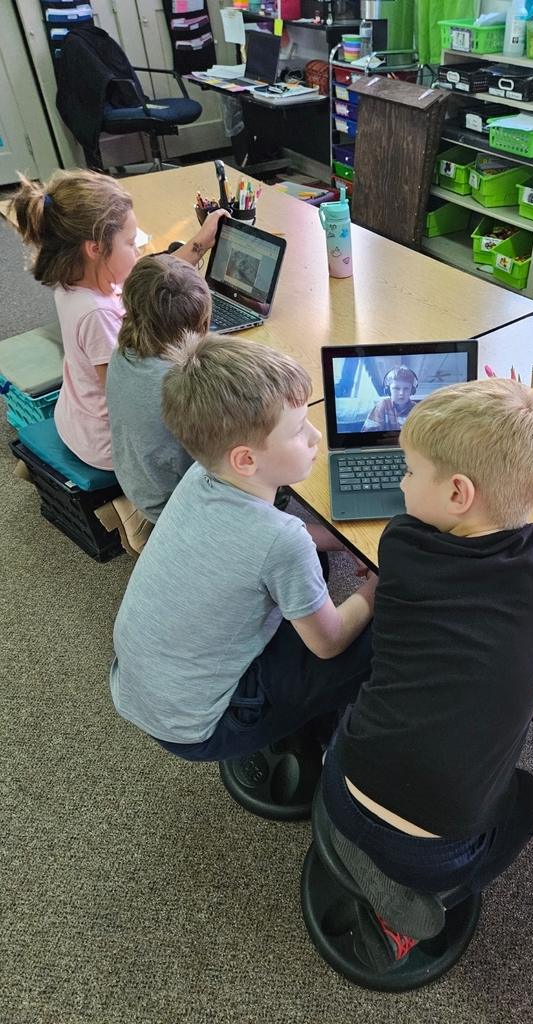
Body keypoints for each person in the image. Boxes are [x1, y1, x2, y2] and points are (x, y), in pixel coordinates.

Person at [321, 378, 533, 971]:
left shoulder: (402, 543)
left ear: (457, 493)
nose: (399, 483)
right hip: (437, 856)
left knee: (371, 716)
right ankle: (403, 908)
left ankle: (365, 860)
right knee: (528, 799)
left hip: (342, 781)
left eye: (408, 471)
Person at [110, 334, 377, 763]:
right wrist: (379, 584)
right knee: (384, 634)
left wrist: (346, 545)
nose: (314, 436)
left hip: (147, 691)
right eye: (297, 430)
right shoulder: (280, 539)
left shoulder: (201, 475)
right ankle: (332, 746)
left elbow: (269, 546)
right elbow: (330, 644)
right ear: (245, 460)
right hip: (203, 727)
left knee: (314, 566)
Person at [12, 169, 226, 470]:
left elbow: (155, 278)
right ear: (96, 248)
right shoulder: (97, 314)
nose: (138, 252)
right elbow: (128, 396)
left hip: (77, 415)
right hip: (108, 444)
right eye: (130, 243)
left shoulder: (79, 276)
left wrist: (200, 242)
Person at [105, 254, 210, 524]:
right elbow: (211, 472)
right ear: (200, 326)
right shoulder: (183, 390)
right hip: (175, 510)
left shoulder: (123, 352)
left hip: (137, 482)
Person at [362, 366, 418, 432]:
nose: (401, 393)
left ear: (412, 390)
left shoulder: (417, 409)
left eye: (406, 388)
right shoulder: (383, 405)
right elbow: (368, 432)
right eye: (396, 388)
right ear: (388, 390)